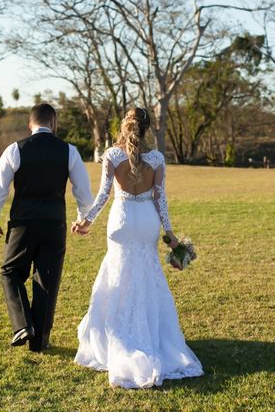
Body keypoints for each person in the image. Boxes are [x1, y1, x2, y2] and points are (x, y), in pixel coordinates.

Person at [71, 107, 203, 388]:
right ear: (147, 129)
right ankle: (149, 335)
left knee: (117, 275)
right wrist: (171, 235)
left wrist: (87, 220)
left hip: (120, 220)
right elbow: (161, 200)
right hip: (146, 223)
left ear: (124, 127)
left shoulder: (112, 155)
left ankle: (115, 336)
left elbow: (105, 194)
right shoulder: (156, 159)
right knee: (147, 274)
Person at [0, 103, 93, 352]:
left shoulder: (15, 149)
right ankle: (39, 340)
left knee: (11, 272)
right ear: (53, 123)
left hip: (23, 223)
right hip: (55, 224)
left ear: (29, 124)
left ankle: (22, 324)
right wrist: (83, 218)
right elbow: (83, 191)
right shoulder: (69, 151)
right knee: (47, 279)